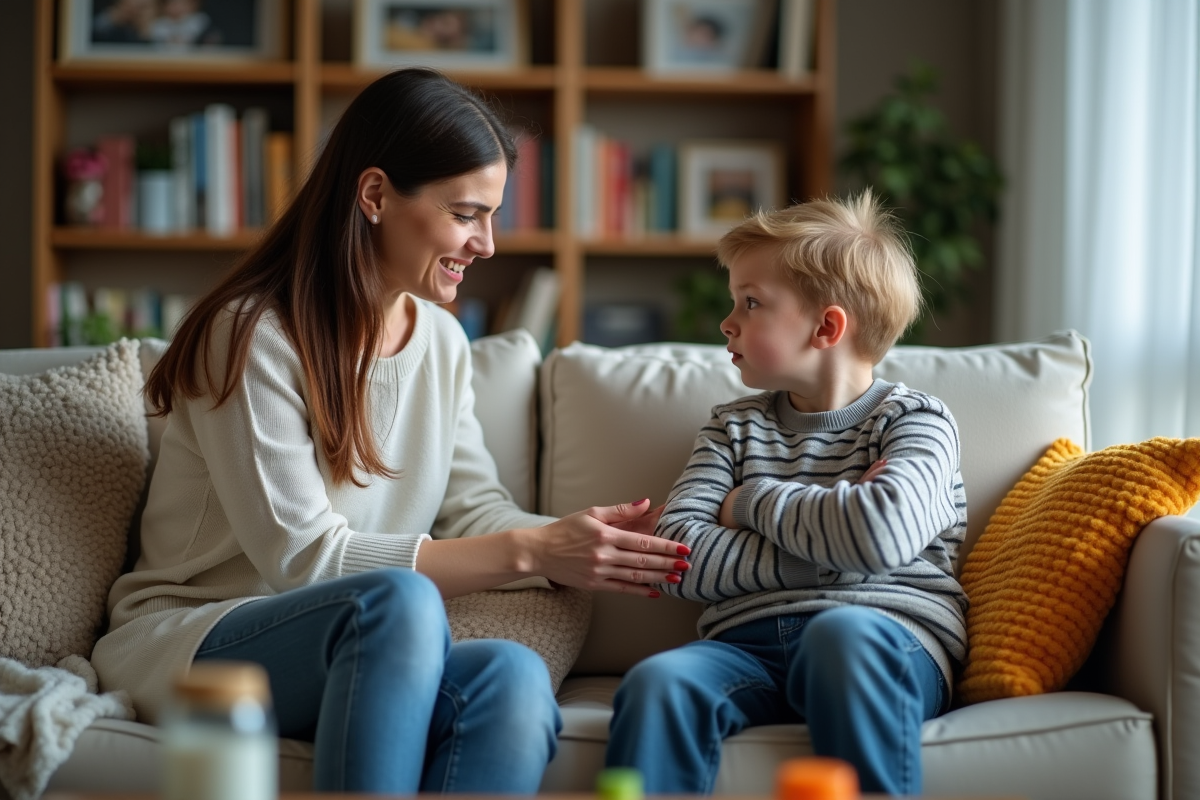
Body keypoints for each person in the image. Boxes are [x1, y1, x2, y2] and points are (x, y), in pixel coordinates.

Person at [91, 68, 686, 794]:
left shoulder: (440, 340)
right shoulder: (251, 335)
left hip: (362, 642)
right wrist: (530, 548)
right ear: (374, 195)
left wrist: (579, 545)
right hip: (198, 639)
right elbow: (304, 560)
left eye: (492, 216)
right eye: (467, 213)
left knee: (511, 672)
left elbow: (474, 510)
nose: (488, 244)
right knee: (398, 603)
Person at [604, 192, 968, 796]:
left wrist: (747, 503)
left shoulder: (917, 422)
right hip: (746, 646)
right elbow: (675, 553)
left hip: (885, 637)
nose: (727, 321)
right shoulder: (731, 427)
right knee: (658, 681)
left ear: (827, 327)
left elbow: (881, 534)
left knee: (840, 638)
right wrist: (840, 535)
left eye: (751, 302)